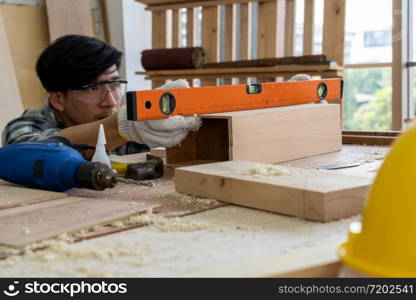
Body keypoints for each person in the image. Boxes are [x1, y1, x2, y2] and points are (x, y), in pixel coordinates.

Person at [1, 34, 200, 158]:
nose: (111, 102)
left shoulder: (133, 128)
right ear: (58, 99)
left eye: (114, 85)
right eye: (92, 88)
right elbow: (30, 154)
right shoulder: (23, 127)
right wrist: (123, 126)